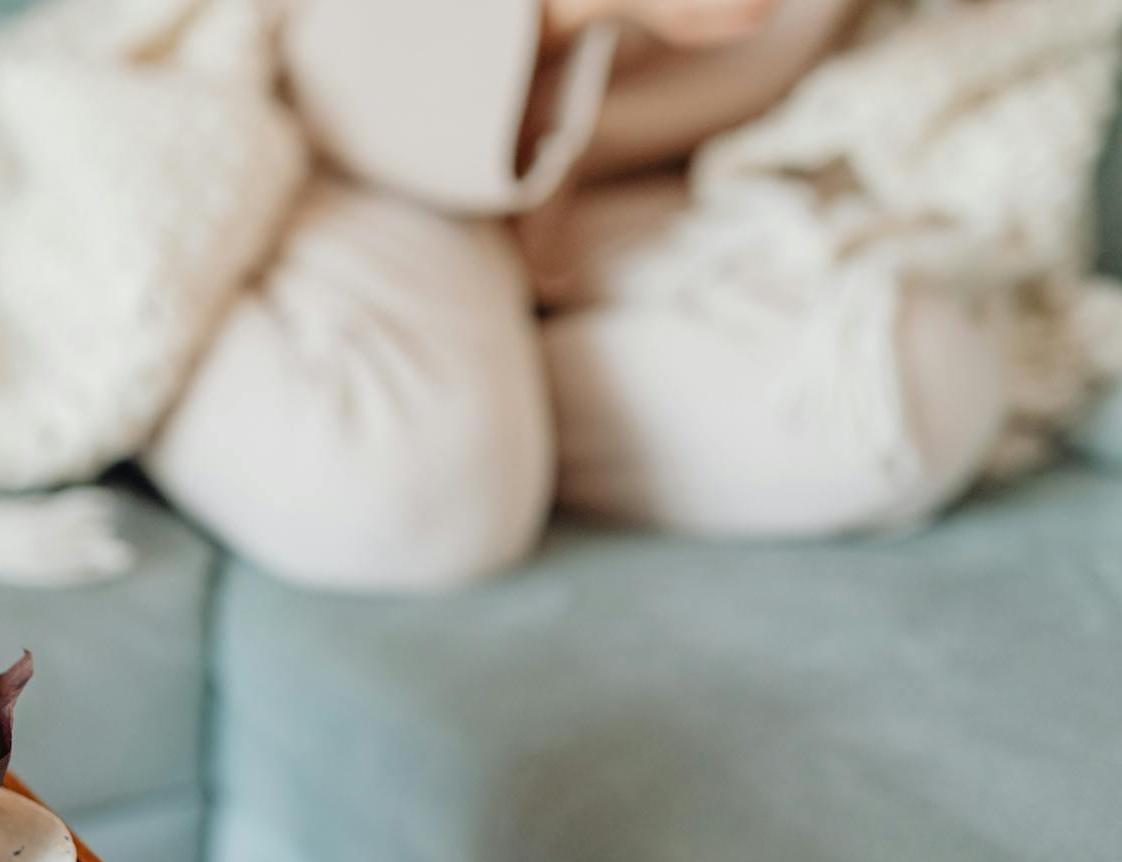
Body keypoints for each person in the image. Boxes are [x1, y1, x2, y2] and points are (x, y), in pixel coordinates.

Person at [141, 0, 1009, 590]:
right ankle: (160, 343)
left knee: (913, 390)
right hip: (344, 150)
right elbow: (326, 75)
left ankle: (473, 416)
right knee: (413, 507)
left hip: (665, 184)